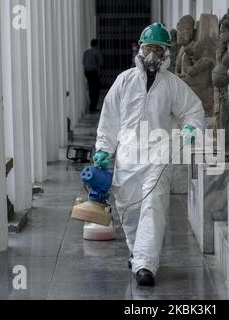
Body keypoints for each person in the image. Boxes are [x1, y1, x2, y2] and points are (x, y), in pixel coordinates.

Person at [94, 23, 205, 286]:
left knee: (153, 206)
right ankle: (137, 253)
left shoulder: (172, 84)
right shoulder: (124, 81)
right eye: (148, 47)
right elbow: (109, 118)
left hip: (158, 156)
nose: (152, 54)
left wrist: (191, 128)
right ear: (139, 48)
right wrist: (102, 150)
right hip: (128, 158)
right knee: (129, 210)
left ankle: (146, 264)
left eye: (158, 48)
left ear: (166, 53)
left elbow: (193, 109)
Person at [83, 39, 104, 112]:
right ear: (97, 45)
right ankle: (93, 107)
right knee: (96, 90)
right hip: (93, 72)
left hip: (87, 73)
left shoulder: (86, 52)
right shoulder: (96, 52)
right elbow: (101, 63)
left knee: (91, 89)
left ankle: (91, 107)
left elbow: (83, 62)